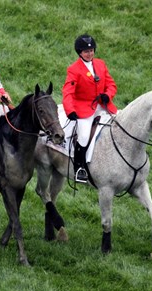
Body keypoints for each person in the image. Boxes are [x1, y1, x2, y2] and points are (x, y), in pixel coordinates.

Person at [62, 34, 118, 183]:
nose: (90, 53)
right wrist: (70, 110)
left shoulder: (100, 64)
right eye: (86, 51)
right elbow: (68, 92)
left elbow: (111, 84)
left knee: (120, 124)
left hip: (103, 105)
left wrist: (108, 95)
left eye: (92, 50)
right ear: (80, 52)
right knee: (84, 136)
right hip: (84, 108)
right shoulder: (74, 69)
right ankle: (80, 169)